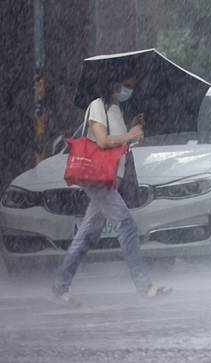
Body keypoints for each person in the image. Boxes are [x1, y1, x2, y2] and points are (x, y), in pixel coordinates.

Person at [52, 70, 172, 305]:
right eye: (126, 85)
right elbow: (103, 140)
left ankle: (60, 286)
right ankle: (144, 286)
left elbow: (120, 144)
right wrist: (129, 134)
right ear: (113, 84)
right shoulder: (98, 105)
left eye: (132, 86)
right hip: (96, 179)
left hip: (109, 178)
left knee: (86, 234)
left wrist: (133, 130)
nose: (129, 90)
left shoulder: (116, 110)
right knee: (126, 225)